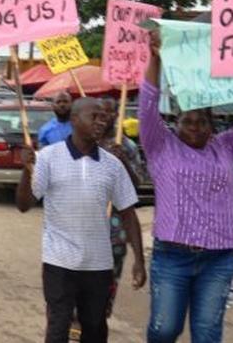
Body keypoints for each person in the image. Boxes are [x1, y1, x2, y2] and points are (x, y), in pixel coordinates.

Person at [16, 97, 146, 343]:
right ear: (75, 120)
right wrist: (26, 170)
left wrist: (139, 260)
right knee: (58, 326)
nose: (102, 121)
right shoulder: (48, 157)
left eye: (103, 117)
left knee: (95, 327)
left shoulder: (112, 164)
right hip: (59, 261)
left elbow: (129, 213)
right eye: (94, 116)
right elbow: (24, 205)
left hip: (98, 263)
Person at [141, 31, 233, 343]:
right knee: (164, 329)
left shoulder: (225, 147)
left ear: (213, 126)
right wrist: (155, 58)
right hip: (172, 256)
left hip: (220, 256)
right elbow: (148, 103)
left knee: (208, 334)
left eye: (202, 121)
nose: (195, 127)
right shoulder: (161, 146)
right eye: (188, 121)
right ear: (175, 123)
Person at [98, 98, 146, 319]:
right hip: (81, 236)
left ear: (117, 115)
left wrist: (123, 161)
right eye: (100, 112)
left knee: (102, 302)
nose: (104, 117)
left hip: (114, 238)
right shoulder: (85, 143)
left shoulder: (127, 146)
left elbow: (136, 187)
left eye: (110, 112)